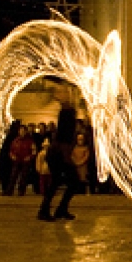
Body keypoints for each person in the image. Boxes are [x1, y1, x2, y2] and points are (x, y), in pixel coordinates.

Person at [38, 84, 80, 221]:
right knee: (67, 182)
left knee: (67, 182)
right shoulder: (66, 113)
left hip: (60, 153)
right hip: (58, 154)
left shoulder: (70, 112)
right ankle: (46, 211)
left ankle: (59, 210)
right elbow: (63, 139)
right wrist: (67, 157)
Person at [5, 124, 35, 196]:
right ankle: (10, 190)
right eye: (21, 131)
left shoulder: (30, 141)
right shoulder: (15, 141)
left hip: (25, 161)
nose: (22, 132)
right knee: (13, 176)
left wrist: (30, 157)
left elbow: (34, 151)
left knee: (23, 177)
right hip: (17, 160)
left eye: (23, 131)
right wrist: (12, 155)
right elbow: (11, 150)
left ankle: (21, 191)